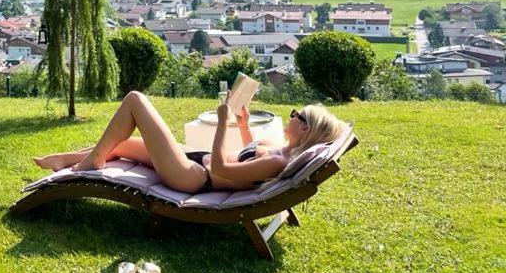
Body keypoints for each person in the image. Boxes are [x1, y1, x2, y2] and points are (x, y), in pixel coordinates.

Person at [33, 91, 346, 194]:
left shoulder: (279, 162)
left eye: (297, 115)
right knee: (125, 144)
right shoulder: (282, 149)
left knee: (135, 100)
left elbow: (224, 166)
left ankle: (89, 163)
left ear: (306, 130)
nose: (291, 115)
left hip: (196, 178)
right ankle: (68, 159)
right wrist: (241, 124)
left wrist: (223, 124)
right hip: (200, 162)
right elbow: (249, 155)